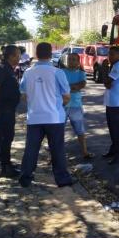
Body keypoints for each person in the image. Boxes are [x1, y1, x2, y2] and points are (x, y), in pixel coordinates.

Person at [18, 42, 73, 188]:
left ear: (36, 54)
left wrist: (36, 102)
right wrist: (57, 106)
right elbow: (67, 97)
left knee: (31, 148)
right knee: (57, 149)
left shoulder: (28, 72)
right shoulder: (58, 72)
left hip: (34, 117)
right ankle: (62, 179)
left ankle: (25, 178)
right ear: (50, 54)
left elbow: (23, 95)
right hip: (54, 118)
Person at [0, 45, 22, 177]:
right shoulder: (1, 69)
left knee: (4, 137)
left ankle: (4, 163)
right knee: (5, 137)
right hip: (3, 110)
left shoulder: (8, 69)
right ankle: (4, 167)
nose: (19, 58)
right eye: (18, 55)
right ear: (11, 56)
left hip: (8, 110)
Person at [62, 53, 93, 160]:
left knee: (80, 130)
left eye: (74, 59)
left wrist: (67, 87)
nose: (71, 61)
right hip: (63, 105)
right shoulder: (61, 72)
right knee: (59, 130)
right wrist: (73, 87)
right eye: (69, 59)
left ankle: (85, 152)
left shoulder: (81, 73)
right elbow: (73, 87)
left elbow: (81, 85)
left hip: (76, 105)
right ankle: (57, 153)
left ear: (78, 61)